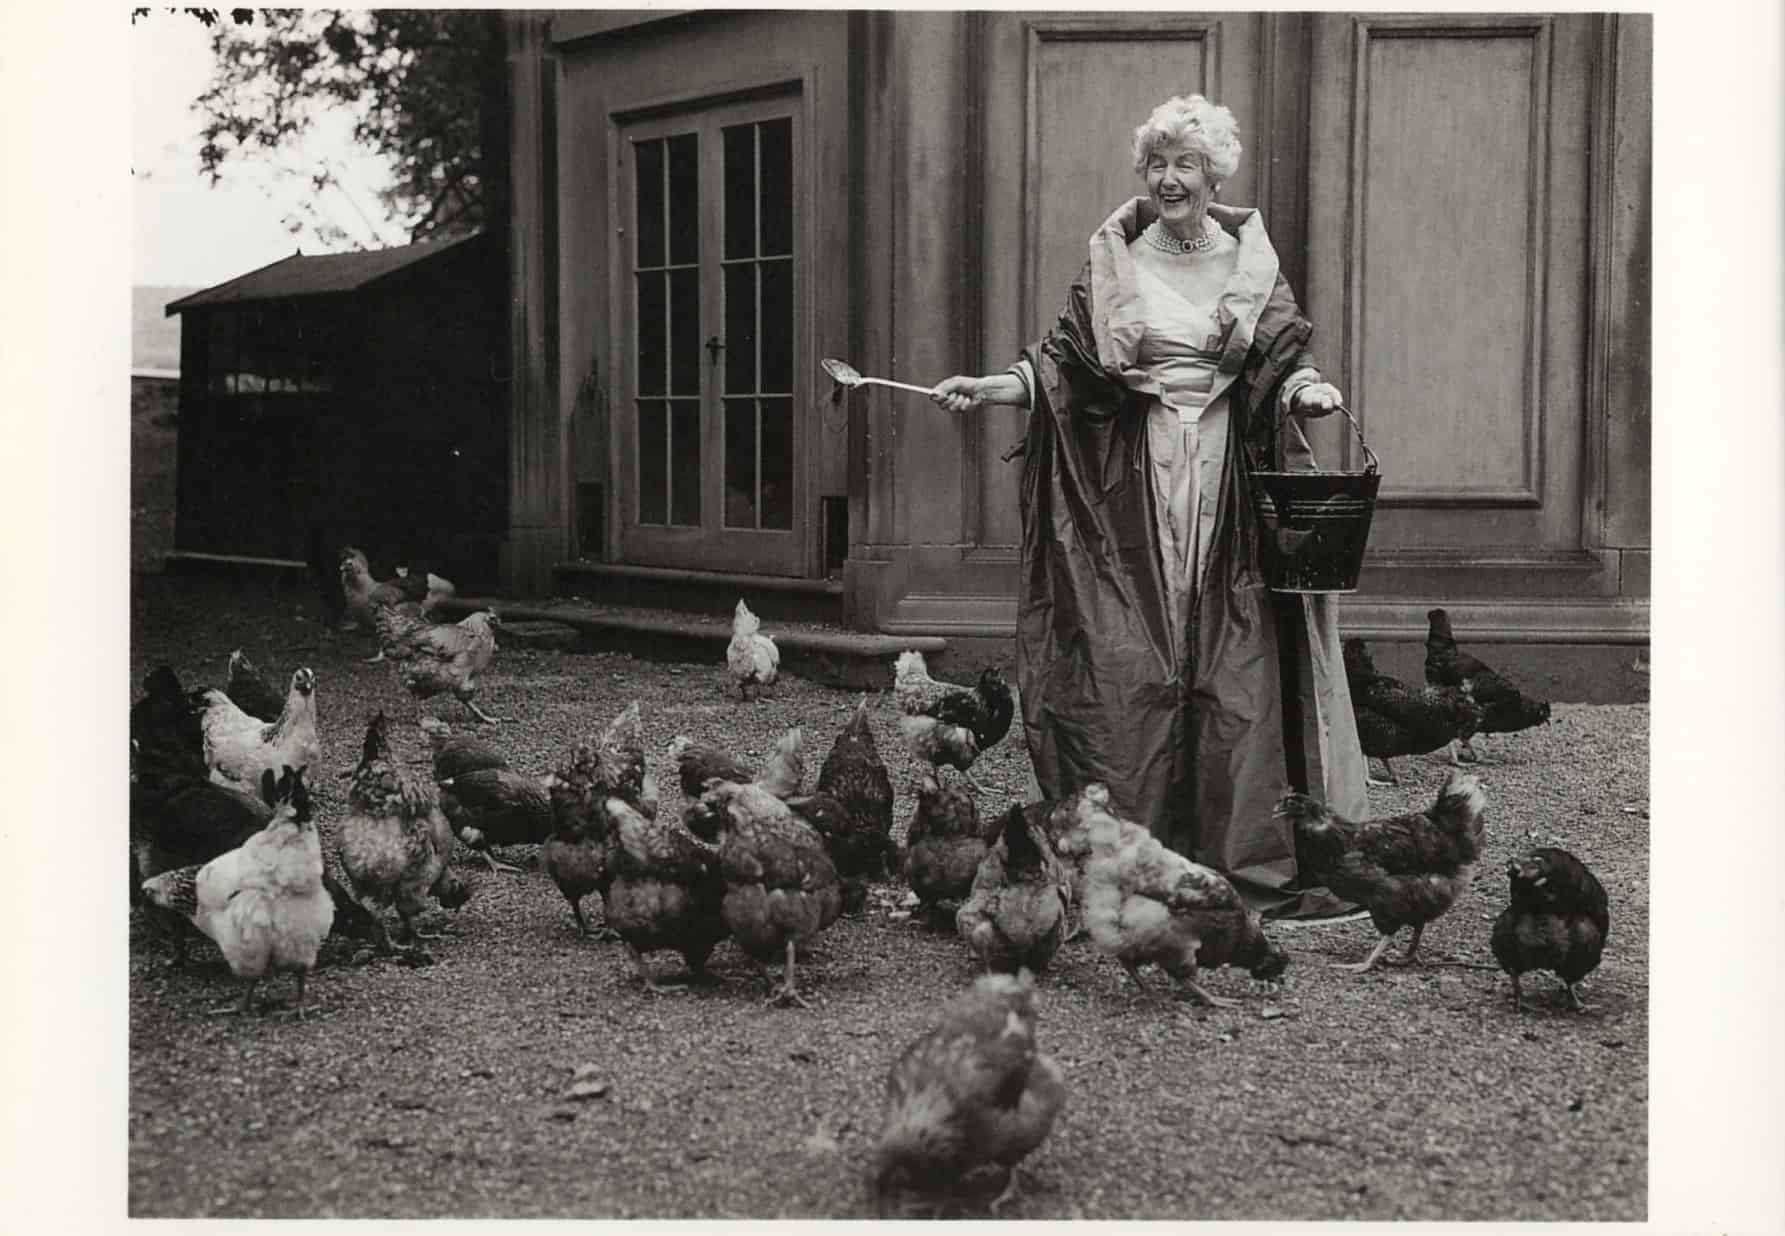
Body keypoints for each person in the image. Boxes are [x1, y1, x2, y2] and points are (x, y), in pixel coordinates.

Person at [931, 94, 1367, 919]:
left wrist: (1308, 391)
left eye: (1187, 165)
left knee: (1232, 661)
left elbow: (1279, 359)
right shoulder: (1115, 259)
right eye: (1158, 164)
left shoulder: (1250, 261)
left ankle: (1237, 856)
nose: (1170, 180)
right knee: (1127, 653)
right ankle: (1131, 849)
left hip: (1226, 480)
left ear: (1214, 175)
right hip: (1128, 479)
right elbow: (1067, 363)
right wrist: (995, 386)